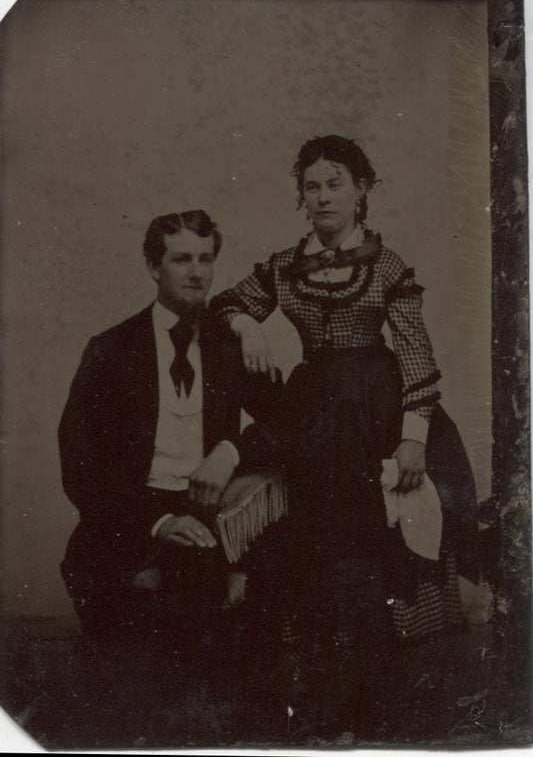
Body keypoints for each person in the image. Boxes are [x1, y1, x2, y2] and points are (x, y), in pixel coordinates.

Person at [210, 135, 479, 740]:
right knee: (315, 553)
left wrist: (413, 438)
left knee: (372, 551)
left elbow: (414, 355)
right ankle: (319, 701)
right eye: (312, 185)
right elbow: (225, 303)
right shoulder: (283, 263)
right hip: (312, 411)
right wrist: (248, 323)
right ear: (300, 197)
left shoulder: (386, 265)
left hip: (376, 410)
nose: (323, 195)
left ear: (362, 192)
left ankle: (375, 705)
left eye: (336, 182)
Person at [58, 209, 280, 641]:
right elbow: (80, 464)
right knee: (136, 628)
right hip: (130, 515)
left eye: (206, 259)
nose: (197, 273)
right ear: (152, 267)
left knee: (231, 618)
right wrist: (159, 521)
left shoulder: (229, 346)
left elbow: (287, 420)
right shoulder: (111, 350)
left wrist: (231, 451)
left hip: (207, 509)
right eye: (182, 260)